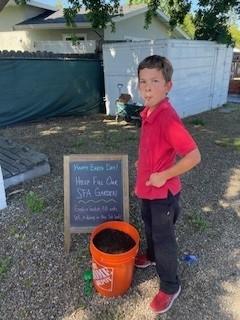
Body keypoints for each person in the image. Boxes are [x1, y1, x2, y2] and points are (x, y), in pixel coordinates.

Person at [134, 55, 201, 314]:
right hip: (147, 189)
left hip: (163, 194)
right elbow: (153, 148)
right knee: (148, 225)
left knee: (164, 240)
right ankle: (151, 257)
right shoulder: (149, 112)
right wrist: (143, 165)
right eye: (143, 81)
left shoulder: (167, 118)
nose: (147, 87)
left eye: (154, 81)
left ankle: (170, 286)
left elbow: (194, 156)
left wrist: (163, 175)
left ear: (168, 86)